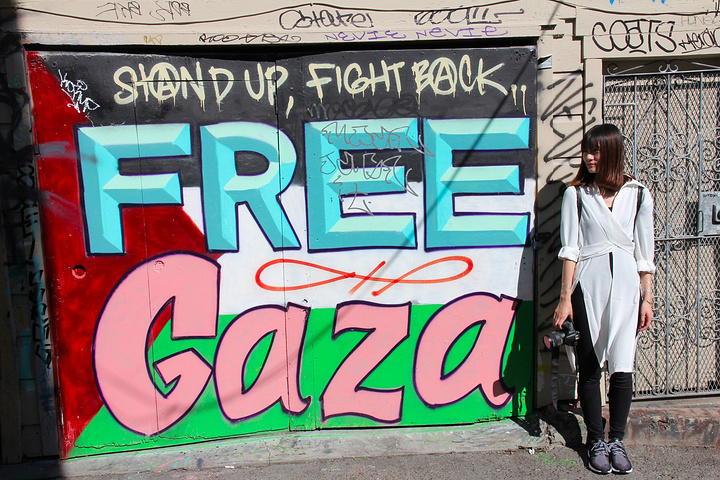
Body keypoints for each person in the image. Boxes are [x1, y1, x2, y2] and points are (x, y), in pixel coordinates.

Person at [553, 123, 655, 475]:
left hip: (627, 288)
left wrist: (647, 298)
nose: (588, 157)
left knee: (623, 364)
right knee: (590, 363)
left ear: (612, 152)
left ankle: (617, 440)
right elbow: (570, 249)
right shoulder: (577, 195)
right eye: (586, 150)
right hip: (588, 285)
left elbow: (644, 253)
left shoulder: (638, 194)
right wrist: (564, 298)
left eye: (595, 151)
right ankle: (595, 439)